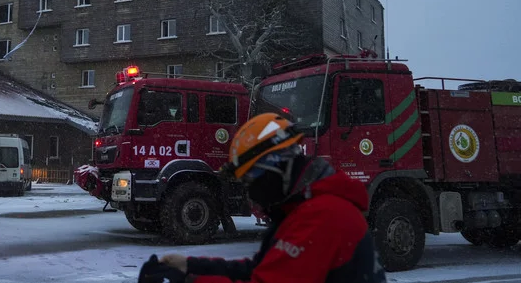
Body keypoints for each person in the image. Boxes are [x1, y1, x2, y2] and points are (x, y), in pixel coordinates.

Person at [138, 113, 387, 283]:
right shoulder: (301, 211)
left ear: (278, 166)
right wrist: (191, 266)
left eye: (252, 178)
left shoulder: (323, 216)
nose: (251, 191)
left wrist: (189, 279)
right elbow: (259, 270)